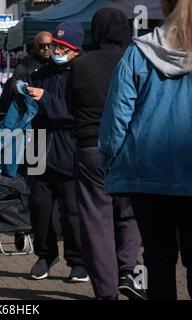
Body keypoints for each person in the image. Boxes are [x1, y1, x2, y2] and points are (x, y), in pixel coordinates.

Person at [99, 0, 192, 300]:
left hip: (147, 174)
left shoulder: (138, 53)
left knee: (158, 257)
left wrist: (109, 163)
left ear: (164, 8)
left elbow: (116, 118)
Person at [68, 8, 145, 300]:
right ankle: (129, 272)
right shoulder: (135, 60)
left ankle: (106, 292)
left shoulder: (81, 64)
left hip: (89, 148)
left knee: (96, 221)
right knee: (131, 214)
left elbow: (69, 104)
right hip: (129, 146)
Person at [26, 22, 89, 282]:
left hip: (69, 151)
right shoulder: (40, 74)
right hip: (39, 148)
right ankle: (45, 255)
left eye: (64, 47)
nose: (57, 50)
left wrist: (46, 100)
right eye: (55, 45)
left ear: (76, 50)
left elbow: (76, 113)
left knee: (72, 212)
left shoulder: (82, 75)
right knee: (39, 209)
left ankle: (78, 262)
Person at [0, 32, 52, 114]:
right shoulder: (25, 65)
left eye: (49, 45)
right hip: (30, 113)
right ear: (36, 46)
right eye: (42, 45)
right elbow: (15, 90)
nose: (46, 48)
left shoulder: (55, 64)